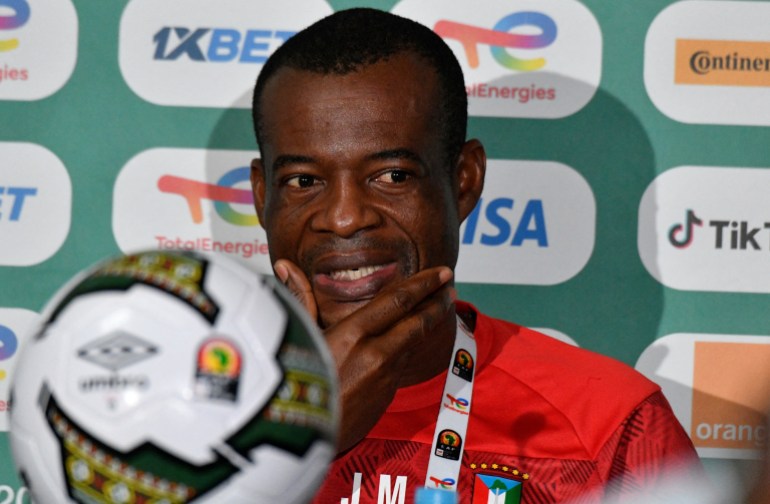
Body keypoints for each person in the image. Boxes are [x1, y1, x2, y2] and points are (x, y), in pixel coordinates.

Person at [249, 7, 701, 503]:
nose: (343, 217)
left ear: (464, 181)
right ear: (261, 195)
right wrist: (303, 440)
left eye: (393, 175)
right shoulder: (188, 391)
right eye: (303, 181)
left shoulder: (609, 425)